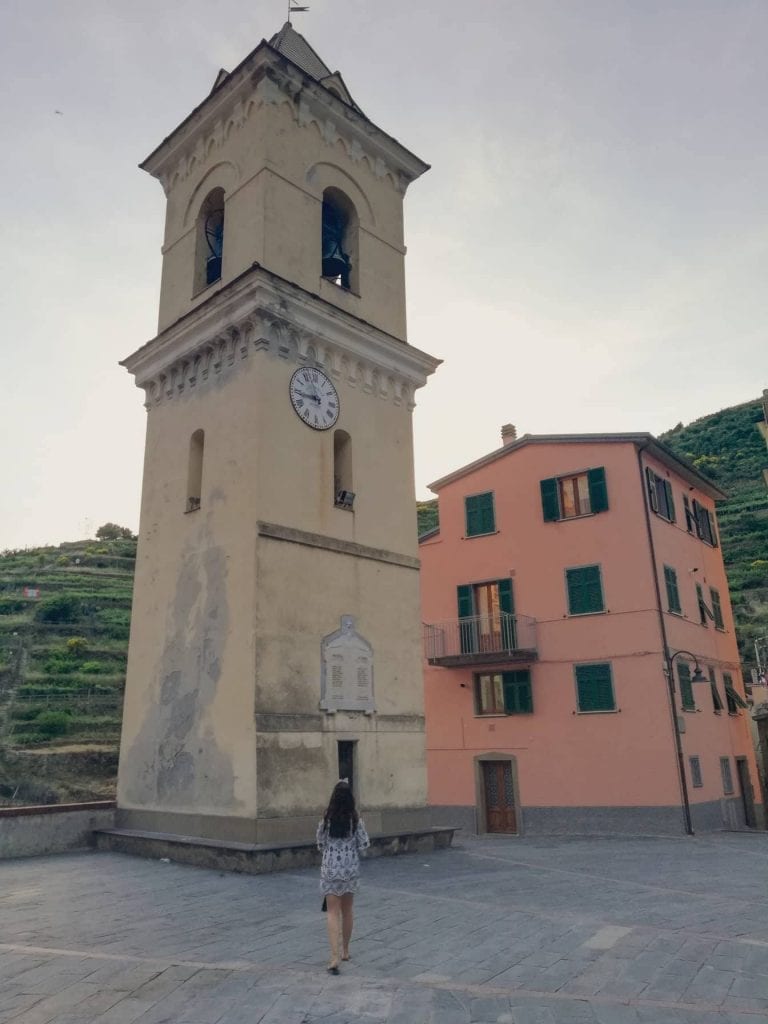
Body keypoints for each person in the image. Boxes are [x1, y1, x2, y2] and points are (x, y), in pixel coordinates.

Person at [316, 779, 370, 973]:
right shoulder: (355, 819)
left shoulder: (327, 819)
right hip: (350, 870)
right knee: (347, 910)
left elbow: (320, 842)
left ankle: (334, 955)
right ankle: (346, 950)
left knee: (332, 912)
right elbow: (363, 845)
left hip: (330, 869)